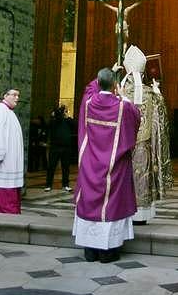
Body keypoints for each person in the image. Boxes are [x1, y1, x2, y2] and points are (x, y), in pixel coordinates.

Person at [73, 67, 141, 263]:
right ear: (114, 85)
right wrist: (121, 94)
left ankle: (90, 250)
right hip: (114, 167)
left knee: (89, 201)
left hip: (90, 164)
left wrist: (109, 72)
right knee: (110, 204)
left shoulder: (88, 102)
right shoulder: (123, 106)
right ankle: (107, 252)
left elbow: (89, 88)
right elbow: (137, 117)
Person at [119, 45, 172, 223]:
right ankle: (141, 214)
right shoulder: (151, 93)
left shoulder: (120, 93)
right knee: (142, 177)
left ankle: (123, 210)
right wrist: (158, 92)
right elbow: (162, 120)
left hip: (123, 145)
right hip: (145, 146)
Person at [46, 104, 74, 191]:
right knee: (51, 166)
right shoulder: (54, 121)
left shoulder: (68, 121)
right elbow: (48, 125)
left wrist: (67, 116)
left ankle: (65, 184)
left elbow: (74, 125)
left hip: (66, 147)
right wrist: (53, 116)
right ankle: (48, 185)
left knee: (66, 167)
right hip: (55, 147)